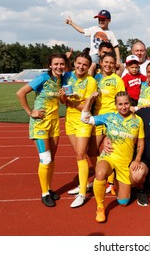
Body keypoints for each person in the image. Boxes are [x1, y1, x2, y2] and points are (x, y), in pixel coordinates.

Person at [81, 91, 145, 223]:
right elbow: (85, 118)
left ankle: (115, 182)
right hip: (109, 157)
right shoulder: (109, 117)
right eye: (120, 104)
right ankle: (100, 206)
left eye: (126, 103)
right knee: (100, 173)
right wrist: (89, 100)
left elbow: (141, 142)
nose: (123, 107)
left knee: (123, 202)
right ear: (115, 105)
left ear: (130, 103)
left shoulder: (137, 120)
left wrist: (137, 158)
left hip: (124, 163)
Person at [67, 52, 125, 196]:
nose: (108, 65)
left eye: (111, 63)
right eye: (106, 62)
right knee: (92, 151)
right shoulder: (95, 78)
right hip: (97, 118)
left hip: (110, 120)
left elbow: (122, 99)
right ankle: (98, 178)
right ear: (100, 62)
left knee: (108, 151)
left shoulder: (117, 80)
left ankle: (110, 182)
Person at [16, 53, 67, 207]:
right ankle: (44, 193)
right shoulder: (43, 78)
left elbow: (63, 102)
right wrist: (30, 112)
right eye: (56, 64)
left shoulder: (61, 80)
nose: (59, 67)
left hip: (54, 123)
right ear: (50, 65)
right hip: (40, 124)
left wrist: (64, 96)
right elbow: (20, 92)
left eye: (61, 64)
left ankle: (49, 188)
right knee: (45, 159)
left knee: (51, 159)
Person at [60, 53, 97, 208]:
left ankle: (82, 193)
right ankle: (85, 183)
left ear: (89, 67)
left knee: (81, 154)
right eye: (79, 63)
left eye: (85, 65)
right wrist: (64, 99)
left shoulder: (91, 81)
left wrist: (70, 102)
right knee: (79, 155)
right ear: (74, 63)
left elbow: (86, 106)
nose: (81, 67)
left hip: (84, 120)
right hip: (70, 120)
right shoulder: (66, 76)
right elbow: (62, 101)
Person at [65, 9, 121, 76]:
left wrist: (118, 59)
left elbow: (115, 46)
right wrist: (71, 23)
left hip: (105, 55)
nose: (101, 21)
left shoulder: (110, 33)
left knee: (118, 66)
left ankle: (115, 81)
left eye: (103, 19)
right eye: (99, 19)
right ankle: (89, 81)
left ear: (109, 21)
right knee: (92, 65)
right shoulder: (94, 29)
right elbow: (82, 30)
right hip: (94, 54)